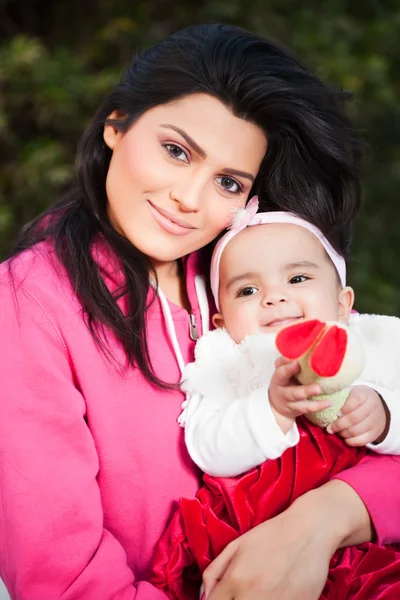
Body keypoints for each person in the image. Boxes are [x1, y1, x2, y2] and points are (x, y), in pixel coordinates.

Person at [0, 22, 400, 600]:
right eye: (175, 151)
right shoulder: (30, 305)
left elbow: (370, 415)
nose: (190, 198)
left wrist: (327, 517)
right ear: (117, 125)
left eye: (229, 181)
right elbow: (65, 581)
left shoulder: (250, 276)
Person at [150, 200, 400, 600]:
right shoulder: (228, 363)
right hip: (253, 532)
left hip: (362, 544)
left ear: (343, 303)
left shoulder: (369, 345)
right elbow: (205, 446)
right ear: (222, 323)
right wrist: (272, 409)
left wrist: (384, 413)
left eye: (298, 278)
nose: (274, 297)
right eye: (248, 290)